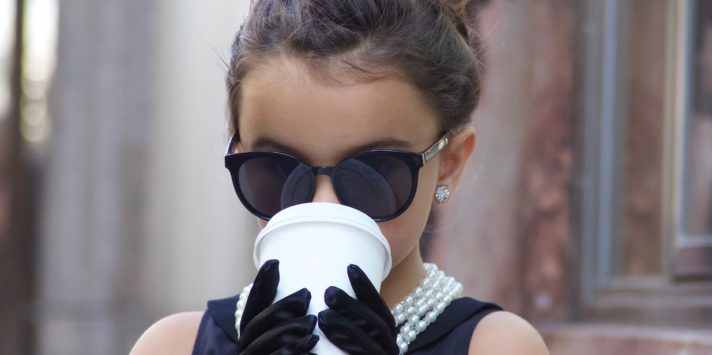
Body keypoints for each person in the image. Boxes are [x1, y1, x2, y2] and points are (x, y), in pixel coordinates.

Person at [131, 0, 549, 354]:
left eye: (374, 172)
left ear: (450, 163)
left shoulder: (495, 345)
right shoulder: (174, 344)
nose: (323, 205)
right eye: (278, 170)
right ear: (239, 155)